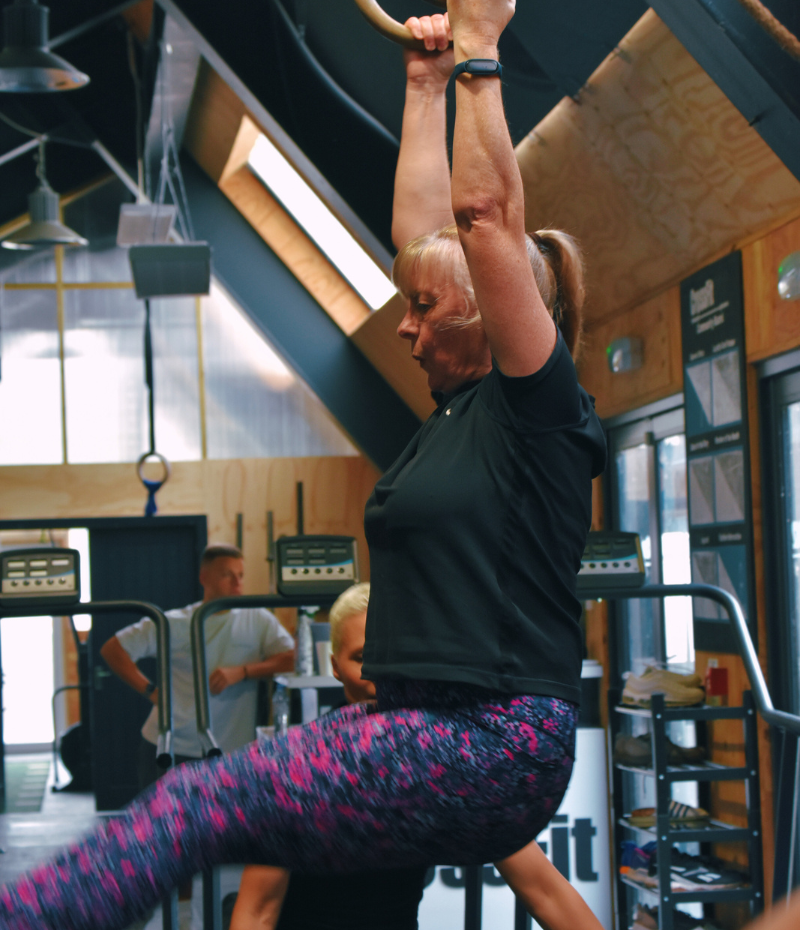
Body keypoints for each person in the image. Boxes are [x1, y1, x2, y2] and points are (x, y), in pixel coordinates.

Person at [0, 5, 607, 928]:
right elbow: (423, 230)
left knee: (197, 802)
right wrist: (423, 83)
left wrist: (483, 48)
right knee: (258, 833)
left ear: (489, 307)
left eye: (423, 309)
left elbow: (483, 216)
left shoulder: (538, 410)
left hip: (492, 740)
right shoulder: (454, 407)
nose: (403, 325)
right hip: (422, 723)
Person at [229, 583, 604, 930]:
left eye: (394, 657)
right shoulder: (298, 766)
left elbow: (546, 893)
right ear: (335, 666)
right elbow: (256, 912)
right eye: (363, 656)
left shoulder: (445, 762)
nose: (380, 673)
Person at [100, 543, 295, 780]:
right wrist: (151, 691)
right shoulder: (175, 622)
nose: (237, 583)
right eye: (227, 575)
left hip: (232, 751)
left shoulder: (258, 618)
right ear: (204, 578)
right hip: (172, 747)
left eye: (241, 575)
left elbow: (292, 659)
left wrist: (244, 671)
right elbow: (113, 649)